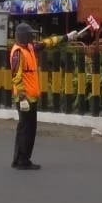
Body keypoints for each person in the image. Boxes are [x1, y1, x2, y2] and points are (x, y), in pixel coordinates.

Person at [10, 23, 80, 170]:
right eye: (29, 34)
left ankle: (21, 159)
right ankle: (21, 161)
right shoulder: (18, 52)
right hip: (25, 98)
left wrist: (66, 37)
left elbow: (48, 42)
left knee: (28, 129)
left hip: (31, 97)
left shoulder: (30, 48)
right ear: (23, 36)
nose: (32, 37)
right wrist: (22, 97)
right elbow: (16, 76)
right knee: (25, 129)